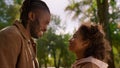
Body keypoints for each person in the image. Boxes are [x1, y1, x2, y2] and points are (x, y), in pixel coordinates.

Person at [0, 0, 50, 68]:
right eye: (45, 23)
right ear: (32, 16)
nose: (46, 29)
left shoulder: (30, 43)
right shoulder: (10, 36)